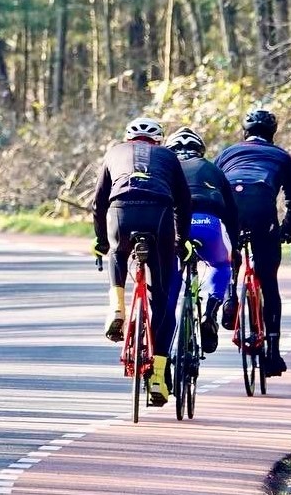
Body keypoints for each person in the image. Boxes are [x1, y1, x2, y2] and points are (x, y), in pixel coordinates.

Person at [92, 116, 192, 407]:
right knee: (160, 299)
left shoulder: (113, 152)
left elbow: (99, 203)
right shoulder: (168, 156)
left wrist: (101, 239)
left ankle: (117, 309)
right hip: (158, 214)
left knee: (117, 253)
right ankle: (158, 377)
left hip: (120, 211)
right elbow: (184, 202)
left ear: (128, 137)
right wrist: (180, 240)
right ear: (158, 140)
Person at [215, 108, 291, 378]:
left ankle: (230, 295)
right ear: (273, 134)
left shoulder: (227, 153)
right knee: (268, 281)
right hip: (262, 208)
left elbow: (212, 185)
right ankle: (273, 354)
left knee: (230, 256)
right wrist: (285, 231)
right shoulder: (282, 157)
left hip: (229, 204)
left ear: (244, 132)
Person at [163, 126, 239, 354]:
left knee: (168, 287)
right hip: (209, 224)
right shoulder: (212, 169)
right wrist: (233, 249)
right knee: (221, 264)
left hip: (174, 227)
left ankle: (162, 354)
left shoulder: (166, 168)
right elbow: (232, 213)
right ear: (200, 150)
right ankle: (210, 314)